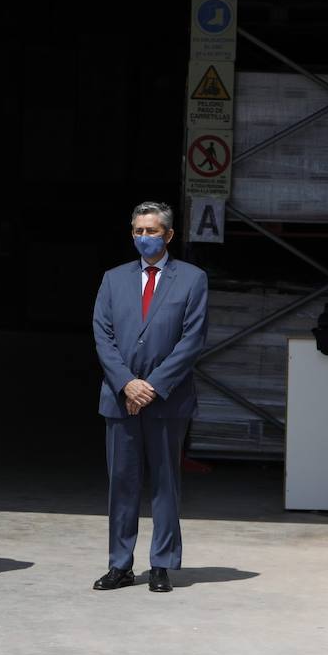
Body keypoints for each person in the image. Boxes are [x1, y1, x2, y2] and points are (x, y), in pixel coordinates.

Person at [92, 201, 209, 594]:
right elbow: (103, 336)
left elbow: (191, 340)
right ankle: (120, 563)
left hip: (166, 401)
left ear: (169, 235)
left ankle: (161, 563)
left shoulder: (192, 280)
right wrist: (127, 383)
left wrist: (153, 386)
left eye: (152, 231)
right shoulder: (113, 279)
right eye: (138, 231)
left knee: (164, 484)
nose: (144, 237)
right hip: (120, 398)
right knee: (121, 485)